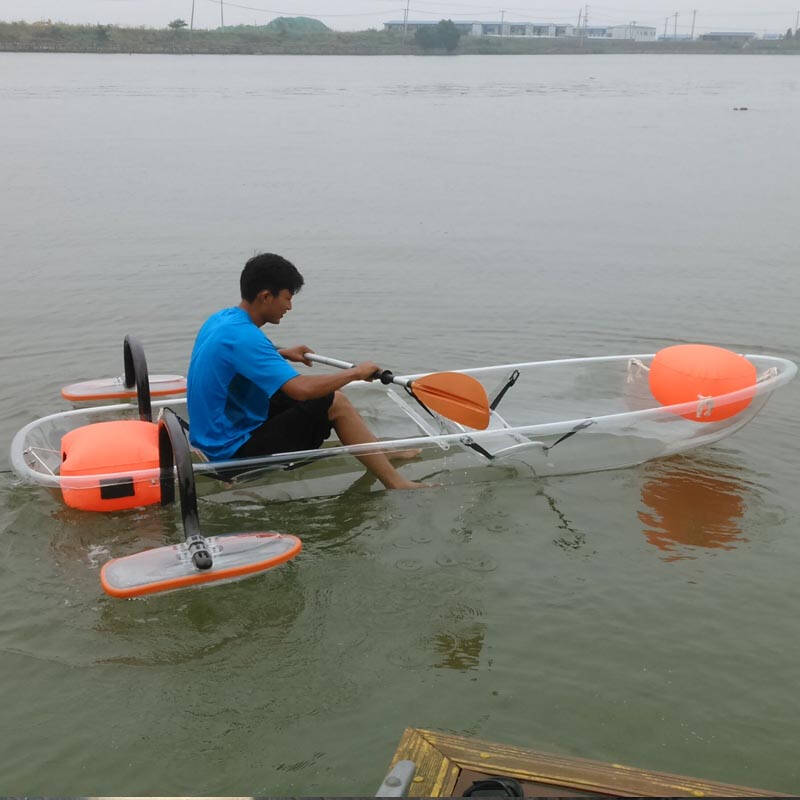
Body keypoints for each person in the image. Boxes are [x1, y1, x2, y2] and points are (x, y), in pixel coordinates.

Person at [187, 252, 426, 490]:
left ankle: (377, 450)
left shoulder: (223, 320)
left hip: (210, 437)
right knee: (334, 403)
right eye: (287, 298)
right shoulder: (245, 337)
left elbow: (230, 357)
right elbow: (301, 390)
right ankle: (396, 483)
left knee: (297, 393)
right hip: (229, 453)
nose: (289, 307)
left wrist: (281, 353)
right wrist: (356, 373)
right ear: (266, 296)